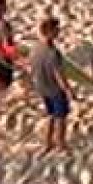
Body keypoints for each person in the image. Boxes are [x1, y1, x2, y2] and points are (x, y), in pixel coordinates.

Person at [29, 16, 74, 153]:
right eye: (56, 29)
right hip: (54, 89)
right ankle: (60, 142)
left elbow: (31, 67)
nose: (58, 31)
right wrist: (68, 90)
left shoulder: (35, 48)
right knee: (61, 116)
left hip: (42, 87)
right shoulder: (53, 53)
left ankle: (47, 142)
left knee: (50, 114)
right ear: (50, 32)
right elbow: (58, 75)